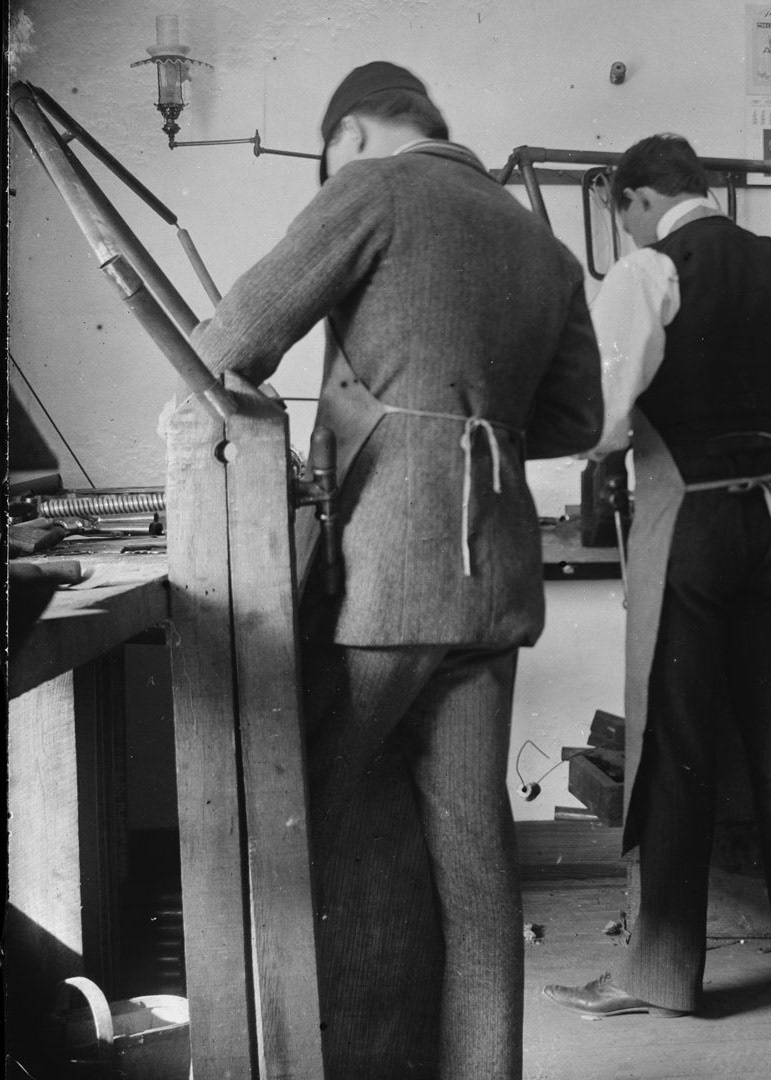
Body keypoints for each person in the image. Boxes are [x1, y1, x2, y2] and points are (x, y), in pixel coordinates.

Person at [181, 61, 602, 1078]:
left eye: (327, 159)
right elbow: (578, 420)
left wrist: (380, 422)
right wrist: (464, 421)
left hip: (386, 575)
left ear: (353, 133)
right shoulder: (538, 241)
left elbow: (228, 342)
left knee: (316, 818)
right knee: (471, 848)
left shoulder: (371, 189)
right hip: (492, 581)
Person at [544, 134, 771, 1021]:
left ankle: (659, 978)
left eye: (624, 219)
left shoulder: (647, 274)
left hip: (689, 519)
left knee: (675, 741)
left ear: (634, 201)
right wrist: (765, 430)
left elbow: (606, 423)